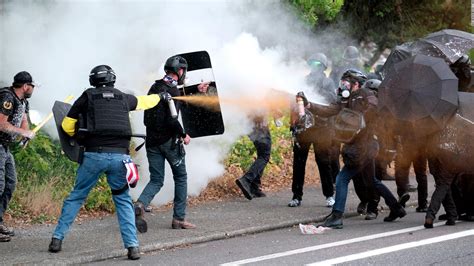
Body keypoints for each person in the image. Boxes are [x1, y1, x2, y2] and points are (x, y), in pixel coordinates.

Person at [48, 65, 164, 260]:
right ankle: (133, 247)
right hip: (121, 158)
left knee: (76, 197)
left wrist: (77, 136)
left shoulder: (88, 96)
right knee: (123, 200)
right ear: (112, 79)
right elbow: (146, 102)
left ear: (93, 80)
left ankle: (57, 240)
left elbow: (67, 125)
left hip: (94, 157)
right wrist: (162, 96)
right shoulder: (123, 97)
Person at [301, 69, 406, 229]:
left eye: (346, 83)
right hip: (360, 147)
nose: (342, 86)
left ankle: (337, 216)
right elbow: (329, 110)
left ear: (355, 84)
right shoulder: (346, 99)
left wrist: (360, 117)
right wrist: (308, 104)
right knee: (372, 181)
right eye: (342, 83)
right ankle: (396, 208)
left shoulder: (365, 94)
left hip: (364, 147)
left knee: (342, 179)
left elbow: (374, 108)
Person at [135, 55, 196, 232]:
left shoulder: (154, 87)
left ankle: (140, 204)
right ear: (180, 71)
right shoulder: (173, 92)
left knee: (156, 179)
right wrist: (183, 135)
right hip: (169, 143)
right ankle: (178, 219)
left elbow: (147, 117)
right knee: (181, 177)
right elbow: (172, 120)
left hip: (152, 142)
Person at [287, 53, 339, 208]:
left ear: (323, 66)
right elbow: (293, 102)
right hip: (304, 128)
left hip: (322, 129)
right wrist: (293, 122)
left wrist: (314, 92)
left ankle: (329, 195)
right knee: (299, 163)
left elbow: (332, 100)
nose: (314, 67)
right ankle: (296, 196)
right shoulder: (302, 81)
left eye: (317, 64)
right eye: (312, 64)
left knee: (324, 162)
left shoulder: (328, 82)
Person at [0, 71, 36, 242]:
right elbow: (2, 124)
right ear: (25, 86)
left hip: (5, 148)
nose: (33, 89)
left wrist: (25, 136)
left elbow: (23, 120)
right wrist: (24, 132)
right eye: (32, 86)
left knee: (10, 184)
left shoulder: (23, 101)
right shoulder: (7, 98)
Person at [235, 113, 272, 200]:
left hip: (250, 126)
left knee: (261, 154)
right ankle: (246, 180)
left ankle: (254, 187)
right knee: (264, 155)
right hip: (259, 125)